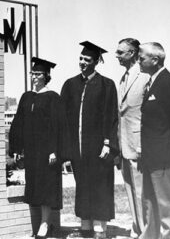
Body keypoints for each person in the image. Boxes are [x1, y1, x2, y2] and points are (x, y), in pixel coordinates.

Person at [61, 41, 119, 239]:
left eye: (87, 59)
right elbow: (64, 120)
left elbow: (111, 116)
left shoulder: (106, 85)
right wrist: (66, 149)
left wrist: (107, 143)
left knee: (100, 185)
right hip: (78, 148)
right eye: (81, 58)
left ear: (96, 62)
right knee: (83, 184)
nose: (82, 62)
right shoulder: (70, 85)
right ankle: (85, 225)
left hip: (98, 147)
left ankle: (100, 228)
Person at [9, 57, 71, 238]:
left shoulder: (53, 98)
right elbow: (18, 123)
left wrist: (54, 150)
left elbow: (57, 126)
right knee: (35, 186)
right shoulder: (26, 97)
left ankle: (45, 223)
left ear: (46, 76)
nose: (34, 77)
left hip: (47, 152)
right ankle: (39, 224)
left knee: (46, 187)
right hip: (31, 150)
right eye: (33, 73)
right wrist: (16, 147)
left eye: (38, 74)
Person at [138, 42, 170, 239]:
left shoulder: (169, 84)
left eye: (142, 58)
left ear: (155, 59)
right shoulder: (153, 83)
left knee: (169, 209)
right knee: (151, 206)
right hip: (152, 157)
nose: (139, 62)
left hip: (165, 158)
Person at [115, 38, 149, 238]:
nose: (116, 56)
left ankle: (147, 230)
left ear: (133, 53)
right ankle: (137, 228)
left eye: (121, 52)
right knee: (130, 189)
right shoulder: (123, 78)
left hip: (139, 144)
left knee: (142, 191)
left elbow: (150, 113)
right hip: (124, 144)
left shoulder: (144, 77)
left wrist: (145, 142)